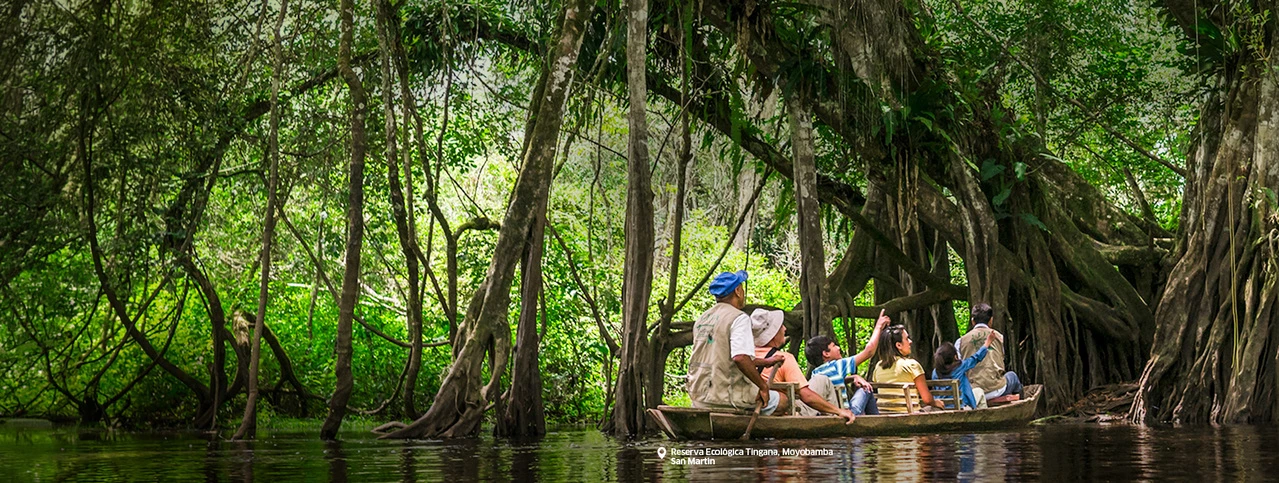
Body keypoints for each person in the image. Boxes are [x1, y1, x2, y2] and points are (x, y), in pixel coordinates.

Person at [686, 270, 788, 414]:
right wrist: (763, 387)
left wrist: (766, 362)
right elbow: (740, 358)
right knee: (783, 400)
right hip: (726, 397)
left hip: (700, 396)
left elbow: (723, 357)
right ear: (738, 291)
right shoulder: (739, 318)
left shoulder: (703, 318)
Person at [750, 309, 855, 423]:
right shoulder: (784, 358)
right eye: (781, 326)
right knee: (823, 380)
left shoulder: (748, 357)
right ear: (774, 334)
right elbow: (807, 397)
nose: (785, 329)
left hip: (758, 403)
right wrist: (838, 410)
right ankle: (836, 422)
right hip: (788, 410)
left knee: (819, 380)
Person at [804, 309, 890, 415]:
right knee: (866, 389)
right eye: (834, 346)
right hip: (845, 414)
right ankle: (876, 424)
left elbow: (834, 382)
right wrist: (878, 327)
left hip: (829, 414)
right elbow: (869, 352)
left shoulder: (816, 373)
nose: (838, 348)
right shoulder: (837, 366)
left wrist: (853, 377)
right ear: (826, 353)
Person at [955, 303, 1023, 400]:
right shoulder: (999, 337)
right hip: (997, 389)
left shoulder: (960, 341)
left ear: (972, 321)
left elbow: (959, 368)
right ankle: (1019, 400)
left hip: (973, 392)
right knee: (1012, 376)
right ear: (991, 320)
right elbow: (1001, 358)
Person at [872, 323, 947, 411]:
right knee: (937, 409)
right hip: (909, 414)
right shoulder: (911, 365)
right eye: (907, 338)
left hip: (884, 414)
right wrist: (936, 402)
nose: (910, 341)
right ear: (898, 345)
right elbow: (927, 399)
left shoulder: (879, 366)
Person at [932, 330, 1001, 410]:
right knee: (979, 392)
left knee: (977, 391)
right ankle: (982, 418)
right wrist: (987, 343)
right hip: (961, 407)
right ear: (955, 357)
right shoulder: (960, 367)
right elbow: (976, 358)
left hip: (943, 407)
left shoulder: (935, 372)